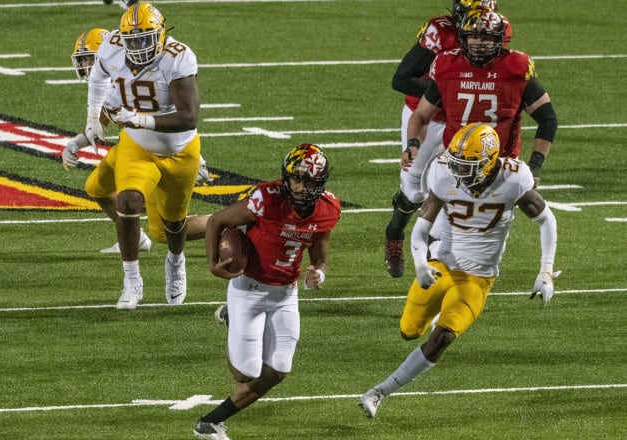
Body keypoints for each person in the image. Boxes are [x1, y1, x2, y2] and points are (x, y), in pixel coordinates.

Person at [359, 122, 560, 418]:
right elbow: (419, 231)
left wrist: (545, 270)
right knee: (408, 331)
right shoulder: (443, 172)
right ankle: (435, 315)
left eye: (469, 166)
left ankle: (378, 392)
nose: (460, 172)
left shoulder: (514, 179)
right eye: (457, 164)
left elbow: (547, 220)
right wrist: (421, 264)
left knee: (442, 338)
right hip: (442, 265)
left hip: (479, 277)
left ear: (490, 162)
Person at [193, 144, 341, 440]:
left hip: (286, 293)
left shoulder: (329, 209)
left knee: (278, 370)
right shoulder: (265, 199)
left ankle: (209, 423)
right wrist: (212, 264)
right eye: (296, 178)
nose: (300, 186)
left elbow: (320, 256)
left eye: (308, 180)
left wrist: (319, 274)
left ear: (321, 181)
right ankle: (232, 318)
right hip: (249, 288)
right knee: (244, 374)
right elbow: (217, 221)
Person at [79, 2, 202, 310]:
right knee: (127, 201)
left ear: (161, 34)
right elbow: (97, 78)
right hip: (137, 146)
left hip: (179, 149)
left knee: (174, 225)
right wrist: (94, 117)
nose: (137, 47)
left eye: (144, 39)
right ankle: (132, 280)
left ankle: (176, 261)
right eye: (131, 40)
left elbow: (189, 117)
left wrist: (142, 119)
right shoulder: (112, 46)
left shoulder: (178, 57)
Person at [385, 0, 512, 278]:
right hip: (425, 116)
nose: (479, 31)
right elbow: (401, 79)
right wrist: (445, 91)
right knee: (413, 191)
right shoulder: (440, 32)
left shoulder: (498, 31)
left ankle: (434, 262)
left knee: (450, 187)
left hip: (463, 121)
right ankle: (394, 232)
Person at [64, 27, 213, 255]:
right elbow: (102, 120)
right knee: (96, 187)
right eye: (82, 60)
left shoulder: (136, 78)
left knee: (163, 232)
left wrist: (197, 160)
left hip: (160, 152)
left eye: (89, 59)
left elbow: (178, 118)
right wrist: (76, 143)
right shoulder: (114, 83)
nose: (86, 67)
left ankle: (223, 222)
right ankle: (135, 237)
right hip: (132, 146)